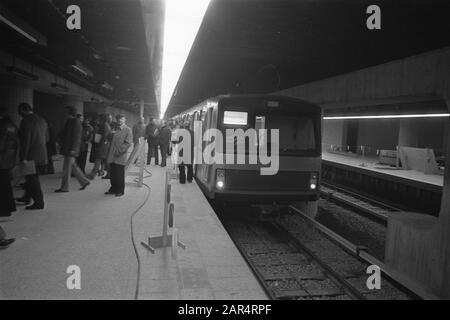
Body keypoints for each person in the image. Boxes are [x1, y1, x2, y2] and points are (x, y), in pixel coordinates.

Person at [16, 103, 48, 210]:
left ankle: (39, 203)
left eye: (19, 112)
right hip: (42, 154)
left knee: (32, 180)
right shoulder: (42, 120)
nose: (19, 114)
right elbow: (47, 138)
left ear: (23, 110)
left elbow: (25, 141)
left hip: (30, 156)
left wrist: (23, 157)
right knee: (31, 178)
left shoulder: (25, 121)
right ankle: (26, 197)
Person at [55, 106, 90, 192]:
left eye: (65, 111)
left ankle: (65, 187)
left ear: (68, 112)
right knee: (74, 167)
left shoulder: (74, 121)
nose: (64, 113)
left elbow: (76, 136)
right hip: (70, 149)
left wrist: (73, 149)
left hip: (70, 150)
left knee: (66, 169)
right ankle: (84, 181)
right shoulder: (73, 121)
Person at [105, 114, 132, 197]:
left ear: (125, 120)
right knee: (112, 173)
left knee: (119, 174)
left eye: (122, 119)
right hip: (112, 155)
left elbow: (128, 143)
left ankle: (120, 190)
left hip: (120, 155)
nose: (120, 121)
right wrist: (110, 134)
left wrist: (118, 151)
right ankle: (113, 189)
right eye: (118, 119)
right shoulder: (115, 128)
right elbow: (109, 139)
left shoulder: (128, 130)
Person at [0, 107, 19, 217]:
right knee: (6, 183)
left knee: (2, 185)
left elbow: (1, 143)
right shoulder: (12, 125)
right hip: (9, 157)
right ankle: (9, 207)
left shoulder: (2, 125)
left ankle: (4, 209)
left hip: (2, 158)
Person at [87, 114, 111, 180]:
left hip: (102, 146)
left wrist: (98, 145)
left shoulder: (104, 126)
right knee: (104, 161)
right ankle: (106, 173)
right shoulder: (106, 125)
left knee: (97, 160)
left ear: (102, 119)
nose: (98, 120)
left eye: (99, 118)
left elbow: (103, 137)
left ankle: (92, 175)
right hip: (104, 146)